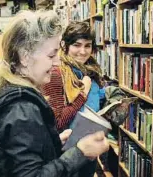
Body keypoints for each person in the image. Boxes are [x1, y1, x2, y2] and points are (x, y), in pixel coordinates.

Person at [0, 10, 109, 177]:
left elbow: (18, 155)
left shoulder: (9, 91)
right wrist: (79, 153)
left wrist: (53, 143)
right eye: (51, 55)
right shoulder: (20, 109)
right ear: (25, 57)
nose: (57, 61)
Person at [41, 21, 106, 177]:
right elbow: (58, 122)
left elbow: (96, 102)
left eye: (87, 45)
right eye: (77, 45)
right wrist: (82, 93)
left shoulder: (91, 70)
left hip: (90, 145)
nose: (83, 52)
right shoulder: (56, 73)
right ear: (65, 45)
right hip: (69, 152)